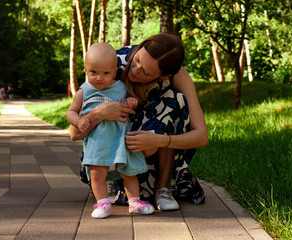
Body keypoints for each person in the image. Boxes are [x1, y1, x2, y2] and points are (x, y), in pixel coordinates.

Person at [70, 33, 208, 211]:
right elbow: (74, 134)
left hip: (147, 149)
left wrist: (158, 140)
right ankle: (111, 184)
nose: (134, 70)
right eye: (136, 61)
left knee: (176, 99)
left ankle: (163, 188)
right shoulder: (108, 64)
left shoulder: (177, 75)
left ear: (164, 76)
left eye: (145, 72)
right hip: (107, 153)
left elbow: (201, 136)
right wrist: (99, 113)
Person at [67, 42, 155, 219]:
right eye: (94, 72)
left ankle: (135, 201)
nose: (99, 78)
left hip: (121, 140)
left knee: (128, 172)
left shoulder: (121, 87)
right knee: (97, 173)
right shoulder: (83, 91)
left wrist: (132, 102)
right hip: (97, 141)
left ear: (114, 72)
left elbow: (132, 101)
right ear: (86, 69)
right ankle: (103, 203)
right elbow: (70, 112)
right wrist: (79, 120)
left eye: (105, 73)